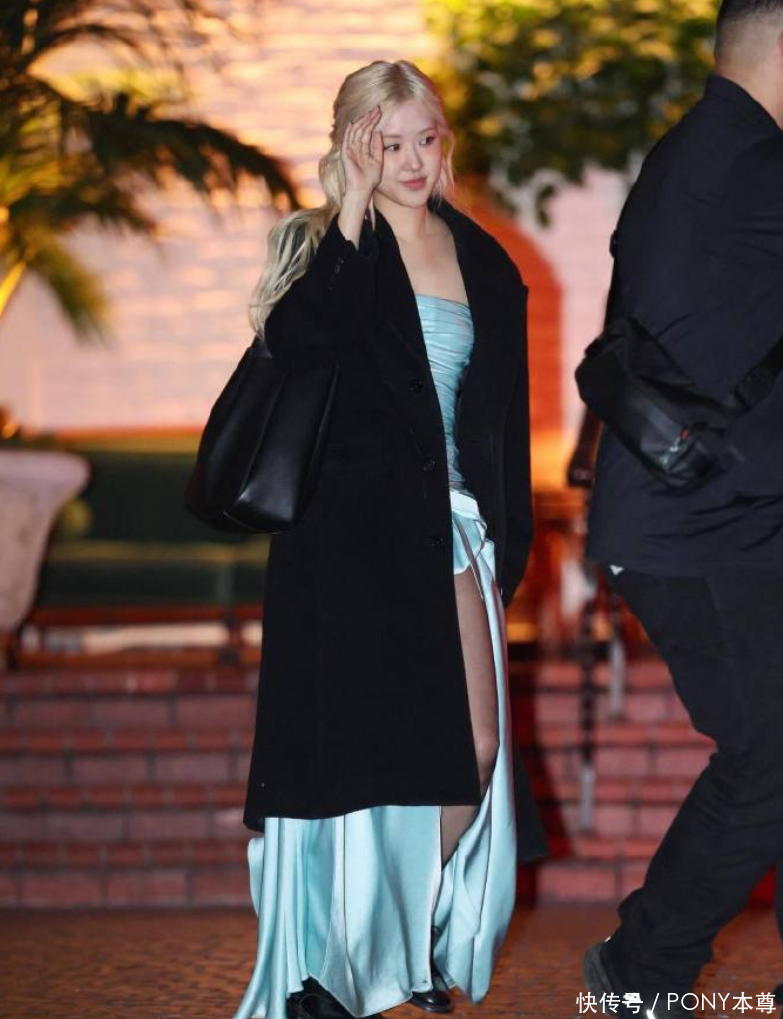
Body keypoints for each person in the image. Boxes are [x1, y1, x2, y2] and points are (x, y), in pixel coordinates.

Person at [231, 60, 545, 1019]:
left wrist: (509, 539)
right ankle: (359, 970)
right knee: (364, 764)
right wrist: (354, 215)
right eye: (387, 143)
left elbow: (500, 416)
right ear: (352, 146)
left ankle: (393, 946)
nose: (410, 161)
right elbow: (302, 346)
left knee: (475, 750)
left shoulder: (481, 256)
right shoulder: (327, 246)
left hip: (453, 527)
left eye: (424, 139)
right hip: (349, 542)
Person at [583, 1, 783, 1016]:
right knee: (769, 756)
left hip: (714, 513)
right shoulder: (748, 165)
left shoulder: (699, 152)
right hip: (701, 524)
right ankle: (638, 971)